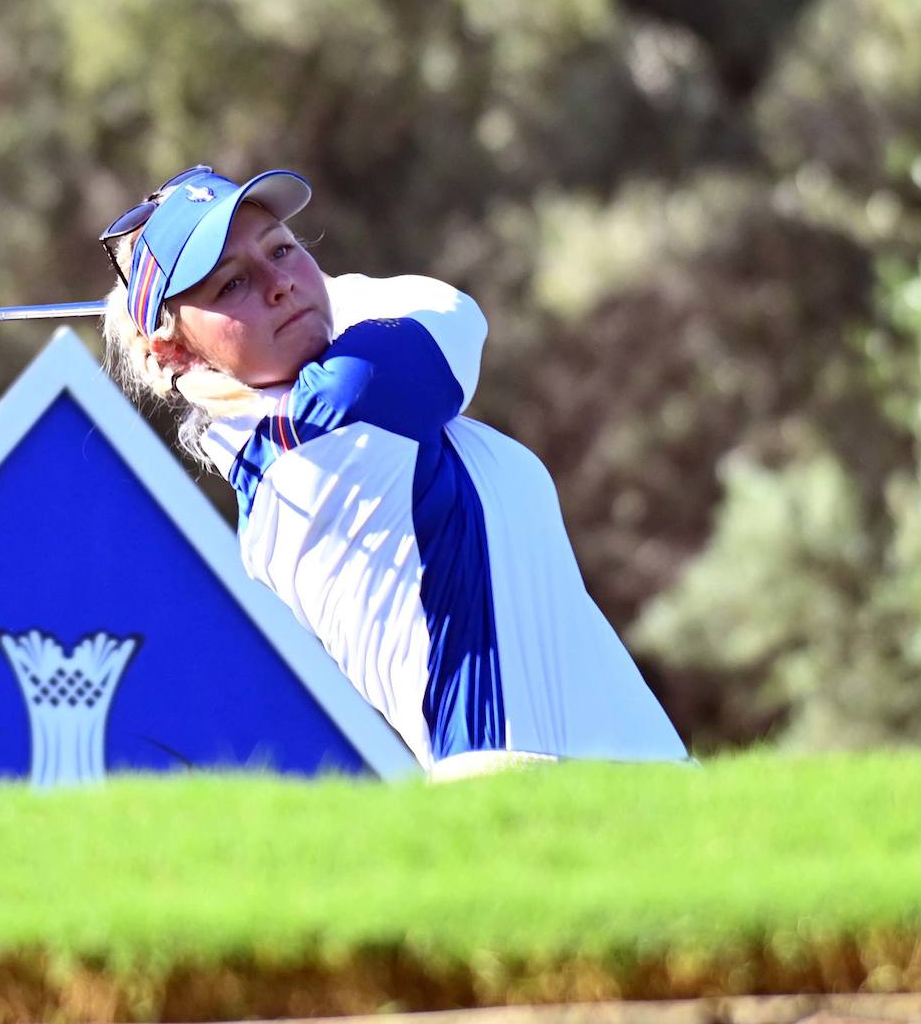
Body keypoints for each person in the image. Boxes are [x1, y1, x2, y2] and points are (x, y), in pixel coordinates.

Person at [98, 164, 688, 778]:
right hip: (541, 780)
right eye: (231, 285)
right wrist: (319, 287)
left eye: (282, 249)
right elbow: (450, 310)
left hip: (627, 780)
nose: (278, 283)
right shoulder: (334, 418)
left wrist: (280, 293)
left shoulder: (306, 426)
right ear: (172, 352)